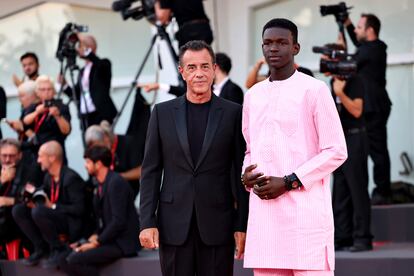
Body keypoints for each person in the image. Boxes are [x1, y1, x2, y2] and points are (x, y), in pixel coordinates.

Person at [241, 19, 347, 275]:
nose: (273, 49)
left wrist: (289, 181)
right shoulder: (253, 95)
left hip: (305, 217)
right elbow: (249, 149)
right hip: (265, 219)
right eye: (267, 43)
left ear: (296, 47)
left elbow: (336, 150)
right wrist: (246, 176)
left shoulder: (314, 90)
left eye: (281, 43)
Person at [139, 40, 248, 276]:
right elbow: (150, 171)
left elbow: (241, 170)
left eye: (205, 66)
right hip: (173, 225)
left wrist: (242, 224)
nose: (199, 73)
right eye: (192, 67)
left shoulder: (233, 113)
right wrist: (147, 221)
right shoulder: (162, 113)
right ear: (182, 72)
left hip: (218, 224)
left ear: (214, 69)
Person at [322, 44, 373, 252]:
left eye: (327, 59)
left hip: (355, 138)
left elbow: (357, 111)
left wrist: (340, 94)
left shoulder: (356, 79)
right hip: (339, 141)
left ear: (337, 60)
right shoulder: (332, 81)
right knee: (340, 191)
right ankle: (342, 237)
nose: (324, 64)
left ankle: (363, 238)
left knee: (357, 190)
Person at [59, 145, 139, 276]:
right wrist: (92, 238)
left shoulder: (115, 183)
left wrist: (96, 242)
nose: (85, 165)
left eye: (88, 162)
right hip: (109, 238)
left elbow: (119, 222)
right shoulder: (100, 184)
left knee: (74, 260)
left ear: (99, 164)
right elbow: (102, 220)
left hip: (122, 243)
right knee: (63, 257)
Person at [12, 141, 85, 268]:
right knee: (19, 210)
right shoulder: (48, 177)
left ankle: (59, 249)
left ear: (52, 158)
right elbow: (43, 196)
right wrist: (32, 198)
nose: (38, 160)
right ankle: (40, 247)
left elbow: (80, 209)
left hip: (71, 222)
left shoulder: (71, 178)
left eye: (40, 156)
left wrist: (52, 206)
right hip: (55, 217)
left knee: (39, 211)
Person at [344, 13, 392, 205]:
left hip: (375, 107)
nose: (356, 30)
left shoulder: (374, 49)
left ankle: (382, 192)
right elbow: (357, 42)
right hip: (371, 106)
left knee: (378, 150)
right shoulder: (368, 48)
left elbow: (352, 61)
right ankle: (380, 191)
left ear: (370, 30)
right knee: (372, 149)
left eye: (359, 27)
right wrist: (346, 23)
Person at [61, 34, 117, 128]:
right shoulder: (82, 71)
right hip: (85, 116)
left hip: (100, 114)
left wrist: (84, 44)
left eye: (80, 46)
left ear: (89, 48)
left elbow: (100, 65)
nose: (77, 50)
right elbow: (76, 94)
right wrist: (65, 85)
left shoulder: (104, 63)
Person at [84, 121, 145, 197]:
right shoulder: (100, 150)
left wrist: (118, 177)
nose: (99, 149)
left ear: (106, 137)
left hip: (126, 191)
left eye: (100, 145)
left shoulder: (128, 143)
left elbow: (141, 171)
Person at [0, 139, 40, 252]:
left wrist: (10, 201)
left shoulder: (31, 172)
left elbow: (29, 200)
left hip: (15, 220)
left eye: (11, 156)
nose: (7, 160)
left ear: (20, 155)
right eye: (4, 156)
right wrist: (2, 181)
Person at [23, 75, 71, 160]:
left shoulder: (61, 107)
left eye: (49, 89)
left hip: (56, 150)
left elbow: (66, 130)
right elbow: (25, 122)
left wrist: (58, 116)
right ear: (37, 92)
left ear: (54, 91)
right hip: (37, 150)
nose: (46, 92)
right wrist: (37, 112)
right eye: (43, 89)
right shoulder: (34, 106)